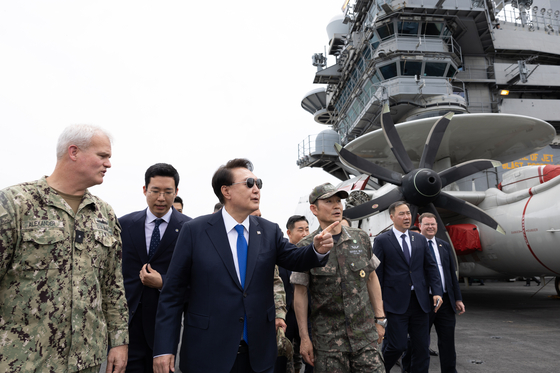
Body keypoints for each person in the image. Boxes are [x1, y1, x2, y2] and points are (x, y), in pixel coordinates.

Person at [152, 158, 337, 373]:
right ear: (226, 191)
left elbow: (295, 258)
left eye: (258, 183)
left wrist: (317, 249)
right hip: (208, 352)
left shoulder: (268, 231)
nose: (256, 189)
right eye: (249, 183)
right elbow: (172, 294)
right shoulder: (195, 231)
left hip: (258, 354)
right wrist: (164, 348)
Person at [0, 124, 128, 373]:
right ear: (74, 152)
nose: (108, 164)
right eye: (103, 156)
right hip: (22, 360)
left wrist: (120, 342)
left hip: (86, 361)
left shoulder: (104, 214)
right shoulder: (15, 204)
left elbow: (113, 286)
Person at [291, 183, 385, 373]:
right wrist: (305, 338)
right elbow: (300, 294)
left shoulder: (361, 238)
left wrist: (380, 318)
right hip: (328, 344)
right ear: (314, 209)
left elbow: (371, 278)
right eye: (329, 201)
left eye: (338, 201)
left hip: (365, 337)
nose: (337, 206)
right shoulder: (305, 247)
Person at [120, 163, 192, 372]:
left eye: (168, 192)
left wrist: (164, 282)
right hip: (128, 324)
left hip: (165, 325)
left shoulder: (190, 229)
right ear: (145, 190)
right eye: (155, 191)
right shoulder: (124, 225)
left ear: (176, 192)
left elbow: (196, 280)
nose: (161, 198)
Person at [373, 201, 442, 373]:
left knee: (421, 348)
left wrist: (437, 291)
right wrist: (378, 304)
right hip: (395, 304)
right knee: (397, 346)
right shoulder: (382, 240)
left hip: (419, 302)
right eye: (402, 214)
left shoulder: (419, 239)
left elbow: (430, 266)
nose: (407, 217)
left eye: (408, 213)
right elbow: (376, 274)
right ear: (392, 217)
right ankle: (378, 370)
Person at [402, 213, 465, 373]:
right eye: (427, 224)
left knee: (448, 342)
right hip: (423, 302)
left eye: (433, 224)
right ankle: (409, 369)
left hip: (445, 302)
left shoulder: (443, 245)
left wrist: (457, 298)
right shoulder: (413, 246)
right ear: (420, 226)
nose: (430, 227)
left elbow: (452, 274)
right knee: (418, 343)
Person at [275, 215, 311, 373]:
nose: (305, 233)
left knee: (310, 357)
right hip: (286, 316)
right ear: (289, 232)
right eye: (300, 230)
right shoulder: (279, 256)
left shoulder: (311, 255)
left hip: (307, 314)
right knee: (282, 357)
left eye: (307, 229)